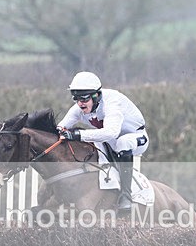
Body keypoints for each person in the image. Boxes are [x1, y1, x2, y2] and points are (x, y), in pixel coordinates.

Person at [57, 71, 148, 211]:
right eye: (76, 98)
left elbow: (111, 132)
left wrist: (77, 134)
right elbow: (60, 128)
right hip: (110, 140)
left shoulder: (112, 103)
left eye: (84, 99)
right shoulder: (78, 109)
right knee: (93, 145)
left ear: (96, 96)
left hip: (135, 137)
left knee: (122, 142)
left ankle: (126, 196)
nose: (80, 103)